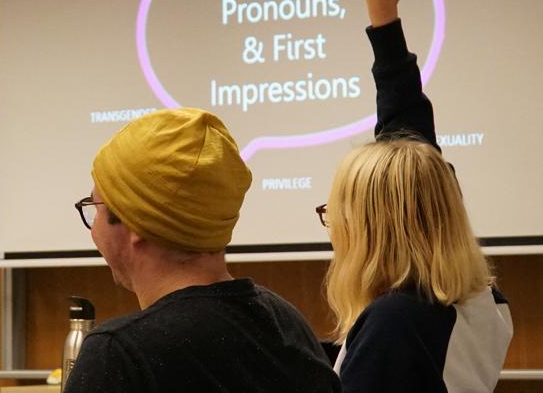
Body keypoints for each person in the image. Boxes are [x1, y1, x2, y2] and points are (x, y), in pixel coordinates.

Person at [324, 0, 513, 392]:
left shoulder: (395, 323)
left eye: (338, 214)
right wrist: (383, 15)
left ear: (377, 228)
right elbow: (415, 159)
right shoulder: (478, 302)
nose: (335, 230)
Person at [65, 108, 341, 392]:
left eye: (95, 207)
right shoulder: (285, 323)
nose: (93, 228)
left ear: (135, 223)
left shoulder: (119, 357)